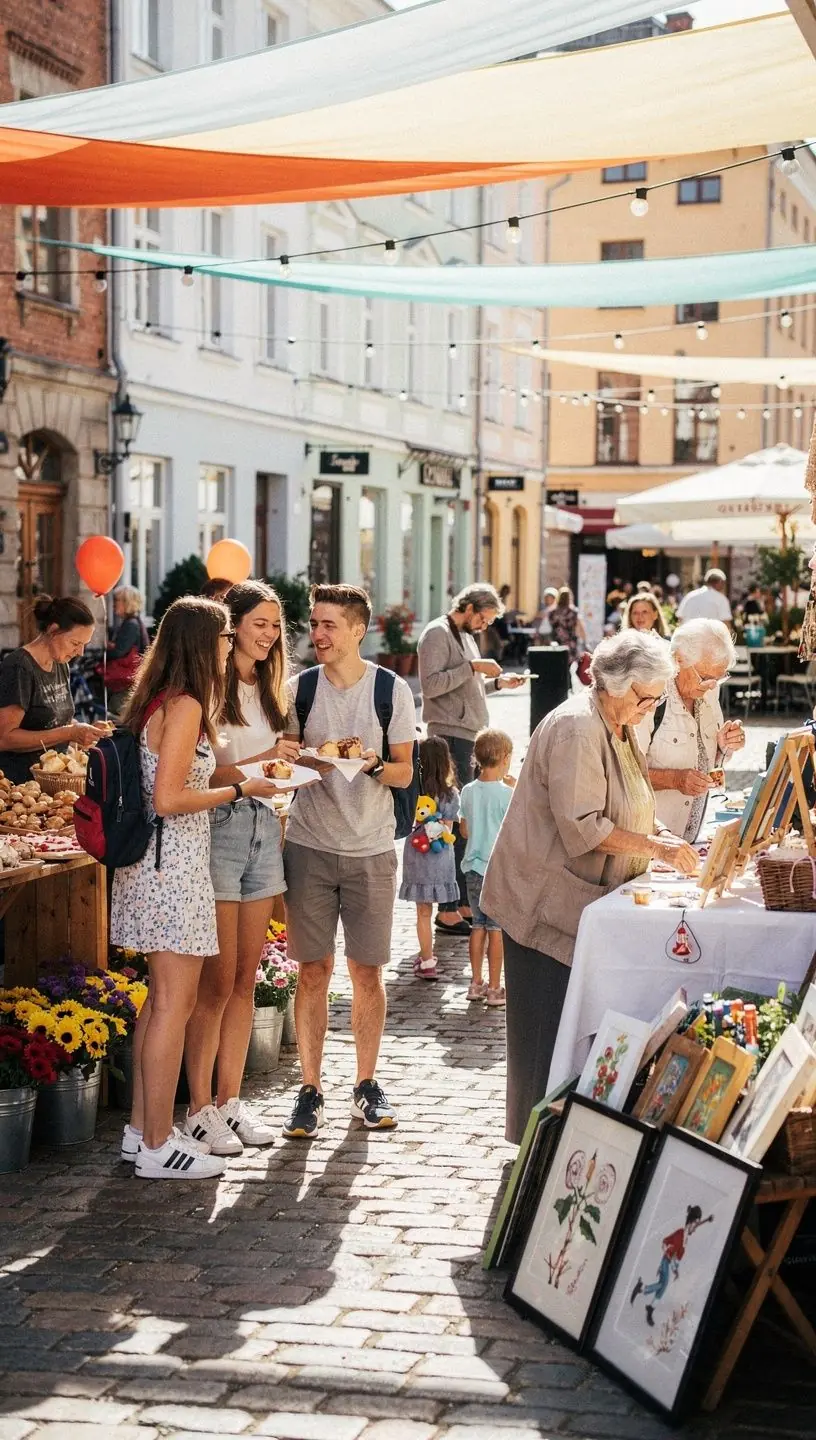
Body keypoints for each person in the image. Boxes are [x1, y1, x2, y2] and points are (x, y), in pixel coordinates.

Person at [480, 629, 698, 1144]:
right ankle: (536, 1147)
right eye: (646, 699)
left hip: (577, 901)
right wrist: (657, 849)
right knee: (545, 1036)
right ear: (617, 685)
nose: (650, 709)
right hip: (541, 902)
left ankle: (562, 1136)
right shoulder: (578, 727)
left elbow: (634, 802)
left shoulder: (618, 722)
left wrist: (665, 837)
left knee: (569, 1032)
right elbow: (584, 826)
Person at [112, 596, 281, 1180]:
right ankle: (158, 1144)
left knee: (159, 1003)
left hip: (157, 868)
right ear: (203, 643)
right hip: (173, 870)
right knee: (172, 1008)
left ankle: (141, 1134)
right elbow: (169, 799)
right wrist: (240, 791)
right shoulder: (184, 705)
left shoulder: (162, 699)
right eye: (226, 636)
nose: (231, 645)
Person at [282, 584, 416, 1139]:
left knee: (367, 972)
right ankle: (310, 1089)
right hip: (309, 846)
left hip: (371, 849)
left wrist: (373, 765)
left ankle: (365, 1084)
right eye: (314, 623)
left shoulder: (390, 690)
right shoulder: (300, 689)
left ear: (358, 631)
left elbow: (405, 772)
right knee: (313, 970)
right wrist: (303, 762)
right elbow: (285, 763)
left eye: (329, 625)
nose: (317, 634)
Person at [184, 581, 301, 1155]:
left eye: (276, 626)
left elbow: (273, 766)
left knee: (244, 980)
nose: (269, 634)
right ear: (232, 627)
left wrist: (294, 764)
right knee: (215, 982)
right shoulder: (209, 687)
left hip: (264, 827)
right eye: (259, 623)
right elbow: (198, 776)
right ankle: (198, 1109)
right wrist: (262, 762)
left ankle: (230, 1102)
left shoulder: (273, 687)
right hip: (218, 830)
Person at [417, 583, 525, 937]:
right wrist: (473, 666)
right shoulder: (436, 633)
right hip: (449, 736)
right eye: (484, 618)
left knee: (467, 821)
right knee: (452, 820)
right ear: (468, 607)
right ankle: (448, 909)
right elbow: (432, 686)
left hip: (468, 733)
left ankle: (462, 901)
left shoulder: (464, 636)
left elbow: (467, 685)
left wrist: (498, 685)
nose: (484, 626)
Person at [637, 619, 745, 841]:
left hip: (691, 839)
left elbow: (708, 759)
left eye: (719, 679)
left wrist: (724, 747)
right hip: (651, 840)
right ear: (678, 659)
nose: (712, 686)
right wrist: (674, 779)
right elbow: (624, 773)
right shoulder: (650, 696)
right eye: (705, 678)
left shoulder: (709, 691)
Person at [0, 595, 108, 784]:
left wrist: (85, 731)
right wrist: (70, 732)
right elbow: (4, 738)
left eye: (84, 645)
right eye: (75, 643)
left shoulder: (61, 664)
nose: (80, 652)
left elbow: (55, 721)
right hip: (20, 785)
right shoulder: (19, 666)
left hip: (54, 783)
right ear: (53, 630)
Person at [459, 728, 514, 1007]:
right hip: (496, 870)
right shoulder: (507, 795)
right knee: (496, 929)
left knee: (477, 925)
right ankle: (494, 988)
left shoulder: (468, 791)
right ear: (505, 758)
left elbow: (464, 830)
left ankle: (475, 983)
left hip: (472, 867)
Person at [399, 735, 460, 982]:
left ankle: (426, 960)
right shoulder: (451, 794)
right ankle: (427, 958)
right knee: (431, 907)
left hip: (416, 856)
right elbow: (448, 829)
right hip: (441, 858)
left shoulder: (412, 792)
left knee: (423, 912)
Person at [105, 586, 149, 718]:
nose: (114, 604)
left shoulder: (131, 624)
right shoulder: (133, 622)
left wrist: (103, 652)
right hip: (130, 679)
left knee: (116, 709)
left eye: (117, 600)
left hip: (127, 680)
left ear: (127, 602)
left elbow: (119, 652)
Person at [549, 586, 587, 665]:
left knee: (557, 665)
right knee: (570, 665)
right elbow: (581, 628)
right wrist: (585, 642)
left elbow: (549, 627)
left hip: (556, 643)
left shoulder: (552, 612)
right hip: (570, 644)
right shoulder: (573, 612)